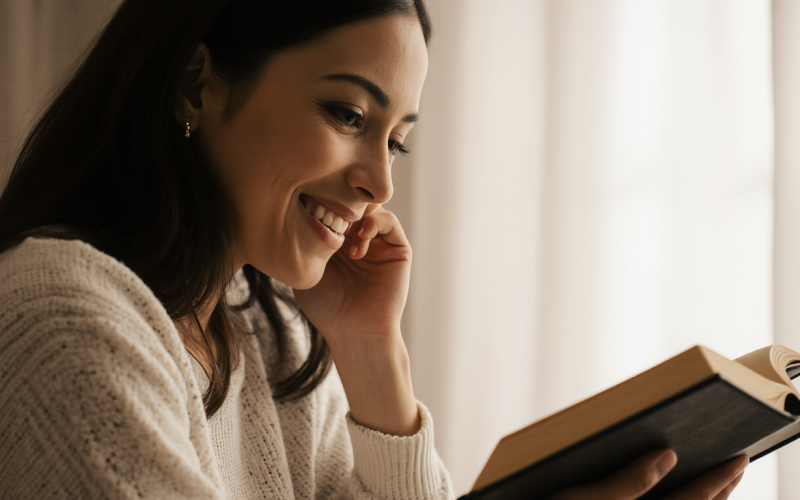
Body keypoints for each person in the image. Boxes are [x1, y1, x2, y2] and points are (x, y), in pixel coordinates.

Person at [0, 1, 748, 498]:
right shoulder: (64, 319)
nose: (379, 182)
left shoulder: (270, 337)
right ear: (195, 84)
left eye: (398, 141)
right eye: (347, 113)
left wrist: (371, 352)